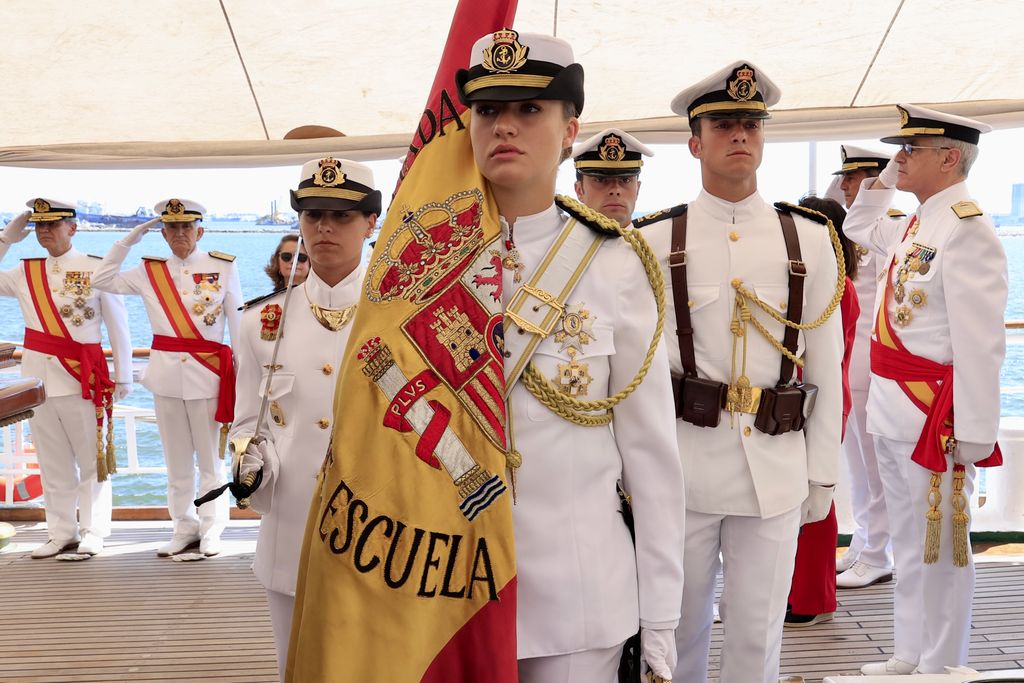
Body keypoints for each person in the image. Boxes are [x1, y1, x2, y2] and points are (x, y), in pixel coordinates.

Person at [458, 30, 685, 681]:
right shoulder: (430, 264)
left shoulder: (614, 263)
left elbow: (650, 453)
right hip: (447, 590)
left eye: (530, 109)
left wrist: (662, 614)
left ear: (568, 128)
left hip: (578, 597)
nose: (505, 125)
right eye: (489, 109)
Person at [636, 61, 843, 683]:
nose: (740, 136)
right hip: (683, 466)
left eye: (751, 124)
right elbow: (638, 375)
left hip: (774, 468)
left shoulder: (807, 239)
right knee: (678, 633)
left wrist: (822, 477)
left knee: (757, 637)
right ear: (695, 142)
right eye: (724, 124)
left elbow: (826, 365)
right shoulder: (653, 241)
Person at [845, 104, 1006, 675]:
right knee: (910, 545)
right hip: (891, 409)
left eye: (911, 150)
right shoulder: (915, 221)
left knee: (942, 549)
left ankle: (941, 662)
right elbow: (856, 226)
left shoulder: (966, 229)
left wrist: (975, 433)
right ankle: (909, 652)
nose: (900, 157)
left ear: (949, 158)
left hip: (932, 418)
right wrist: (885, 179)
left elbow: (981, 343)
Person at [231, 157, 378, 678]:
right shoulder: (260, 322)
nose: (324, 227)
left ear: (370, 222)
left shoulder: (401, 317)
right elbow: (248, 423)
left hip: (381, 531)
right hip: (292, 529)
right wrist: (249, 466)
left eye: (342, 215)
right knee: (298, 669)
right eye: (313, 213)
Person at [92, 198, 241, 558]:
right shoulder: (147, 271)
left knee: (210, 462)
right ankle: (183, 527)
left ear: (199, 230)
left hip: (207, 376)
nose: (179, 233)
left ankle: (212, 529)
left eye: (186, 227)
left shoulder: (221, 267)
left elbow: (238, 325)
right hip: (165, 379)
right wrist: (128, 240)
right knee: (176, 463)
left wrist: (242, 374)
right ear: (163, 233)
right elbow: (102, 279)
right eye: (171, 227)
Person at [0, 198, 132, 559]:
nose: (45, 231)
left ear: (72, 228)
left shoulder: (96, 268)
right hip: (39, 383)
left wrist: (123, 377)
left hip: (82, 378)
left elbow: (118, 327)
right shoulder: (25, 271)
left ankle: (93, 532)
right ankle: (60, 533)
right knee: (52, 461)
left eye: (53, 224)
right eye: (39, 225)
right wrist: (4, 240)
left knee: (92, 461)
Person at [829, 145, 903, 589]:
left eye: (855, 179)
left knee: (876, 467)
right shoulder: (850, 225)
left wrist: (879, 190)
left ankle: (878, 554)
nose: (845, 186)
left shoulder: (888, 229)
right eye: (846, 178)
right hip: (850, 362)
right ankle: (863, 543)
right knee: (857, 465)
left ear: (877, 182)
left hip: (874, 364)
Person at [785, 196, 860, 627]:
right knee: (806, 500)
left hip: (820, 400)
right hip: (810, 397)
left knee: (818, 500)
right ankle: (804, 592)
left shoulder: (834, 287)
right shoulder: (830, 281)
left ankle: (812, 597)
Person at [572, 128, 653, 228]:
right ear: (579, 190)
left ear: (637, 189)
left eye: (625, 180)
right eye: (600, 180)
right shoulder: (559, 241)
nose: (615, 190)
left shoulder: (660, 241)